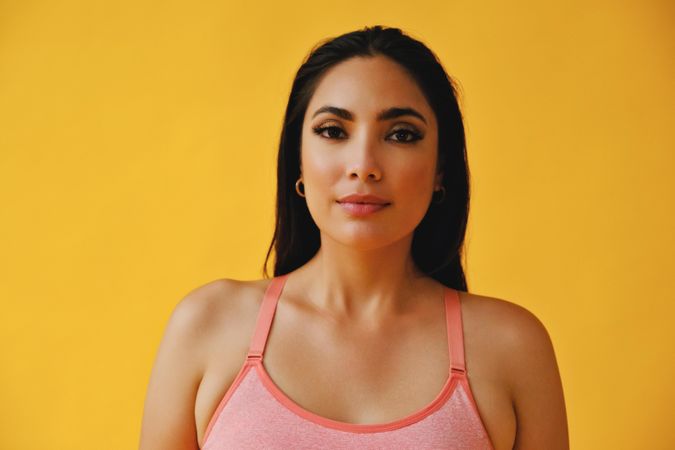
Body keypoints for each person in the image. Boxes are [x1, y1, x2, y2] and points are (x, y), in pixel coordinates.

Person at [139, 25, 569, 449]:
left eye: (401, 135)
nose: (363, 164)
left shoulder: (512, 348)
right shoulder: (208, 326)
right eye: (332, 131)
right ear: (298, 162)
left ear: (441, 170)